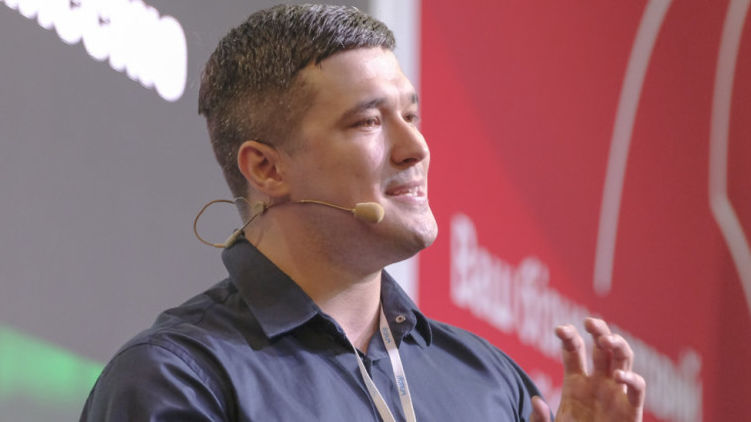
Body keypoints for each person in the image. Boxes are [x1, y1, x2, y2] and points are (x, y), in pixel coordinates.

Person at [81, 4, 645, 421]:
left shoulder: (490, 381)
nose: (415, 148)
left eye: (411, 116)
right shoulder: (180, 379)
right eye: (368, 122)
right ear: (267, 168)